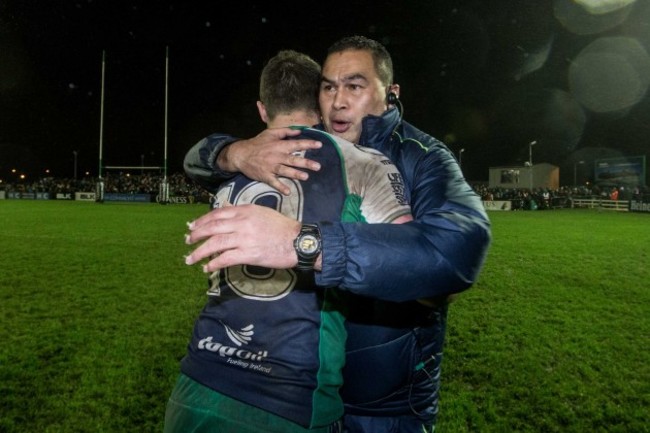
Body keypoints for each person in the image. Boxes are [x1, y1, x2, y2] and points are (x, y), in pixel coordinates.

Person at [183, 36, 492, 433]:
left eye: (355, 86)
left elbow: (453, 254)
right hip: (302, 393)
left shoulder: (422, 157)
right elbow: (196, 161)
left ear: (391, 93)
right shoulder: (311, 148)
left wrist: (304, 243)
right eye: (329, 87)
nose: (338, 101)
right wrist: (234, 153)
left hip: (383, 406)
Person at [165, 50, 412, 433]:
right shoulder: (361, 162)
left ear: (263, 110)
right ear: (320, 100)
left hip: (197, 386)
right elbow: (408, 261)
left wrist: (234, 150)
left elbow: (195, 159)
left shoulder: (232, 165)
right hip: (290, 399)